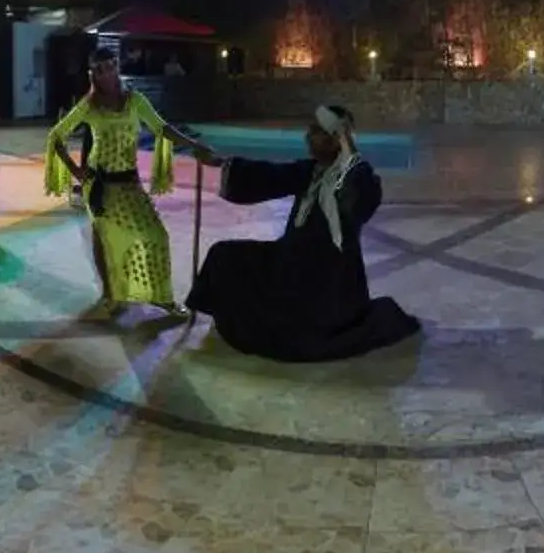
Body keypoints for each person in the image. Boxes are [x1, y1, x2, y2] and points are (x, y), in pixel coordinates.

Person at [177, 105, 423, 361]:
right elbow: (268, 175)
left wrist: (349, 152)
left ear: (336, 138)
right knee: (224, 255)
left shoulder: (358, 176)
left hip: (328, 280)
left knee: (296, 334)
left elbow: (357, 200)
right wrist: (218, 161)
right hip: (289, 260)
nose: (307, 137)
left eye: (316, 131)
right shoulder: (310, 171)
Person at [43, 52, 185, 319]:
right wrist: (77, 171)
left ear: (117, 67)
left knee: (156, 235)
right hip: (99, 185)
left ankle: (161, 297)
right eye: (99, 70)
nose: (106, 74)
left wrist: (193, 145)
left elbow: (161, 128)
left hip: (129, 181)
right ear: (93, 75)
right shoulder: (90, 105)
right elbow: (57, 135)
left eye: (110, 67)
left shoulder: (135, 101)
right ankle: (110, 295)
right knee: (105, 239)